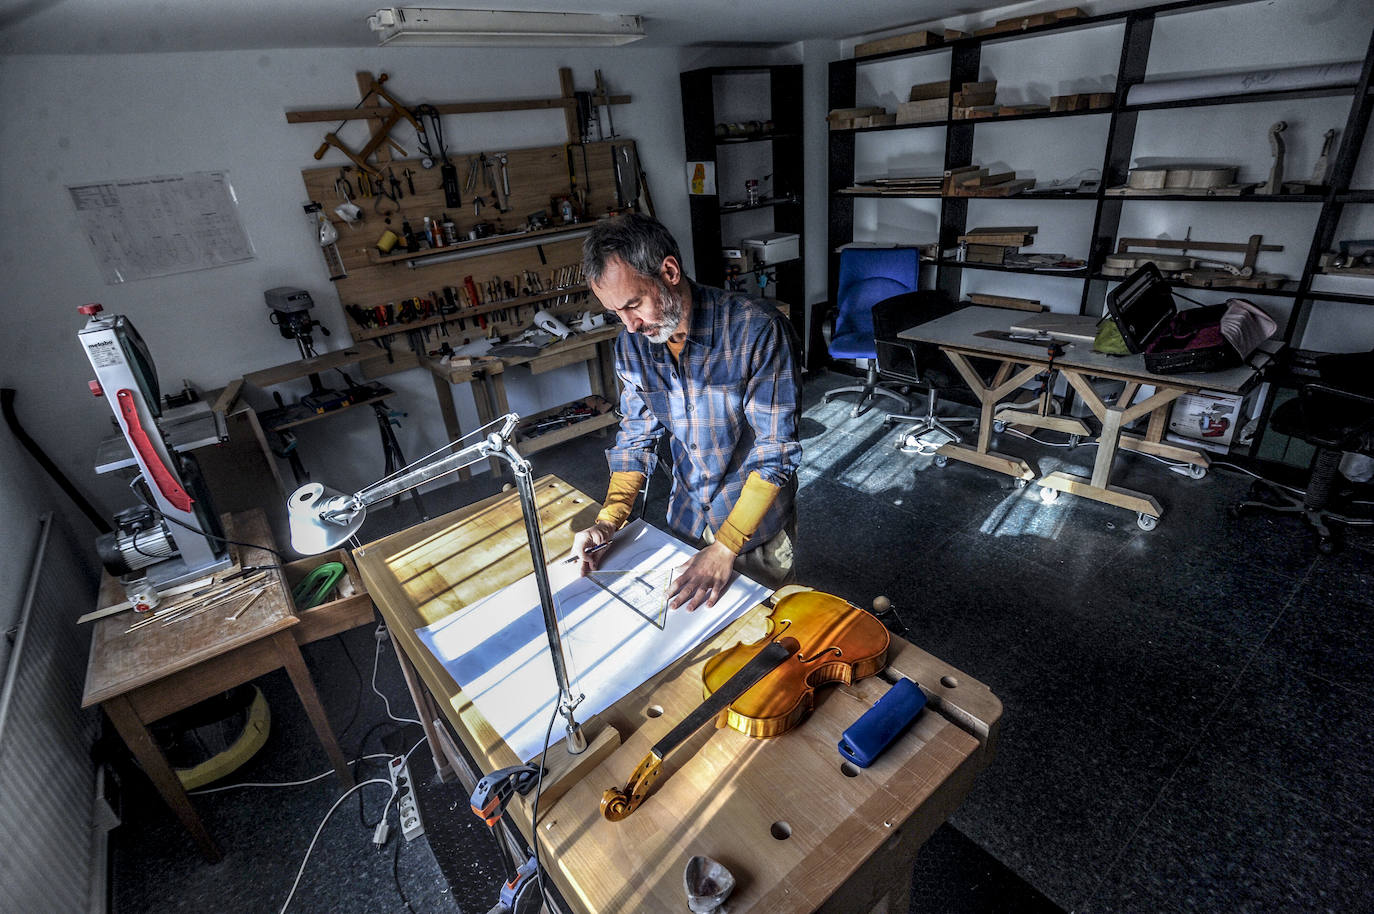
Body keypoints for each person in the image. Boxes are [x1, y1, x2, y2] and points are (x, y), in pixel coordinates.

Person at [571, 213, 802, 612]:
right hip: (686, 521)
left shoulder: (757, 330)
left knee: (762, 648)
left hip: (753, 533)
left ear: (670, 271)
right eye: (616, 313)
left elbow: (774, 452)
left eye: (634, 304)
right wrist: (609, 520)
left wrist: (726, 546)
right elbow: (636, 437)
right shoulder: (634, 345)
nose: (629, 325)